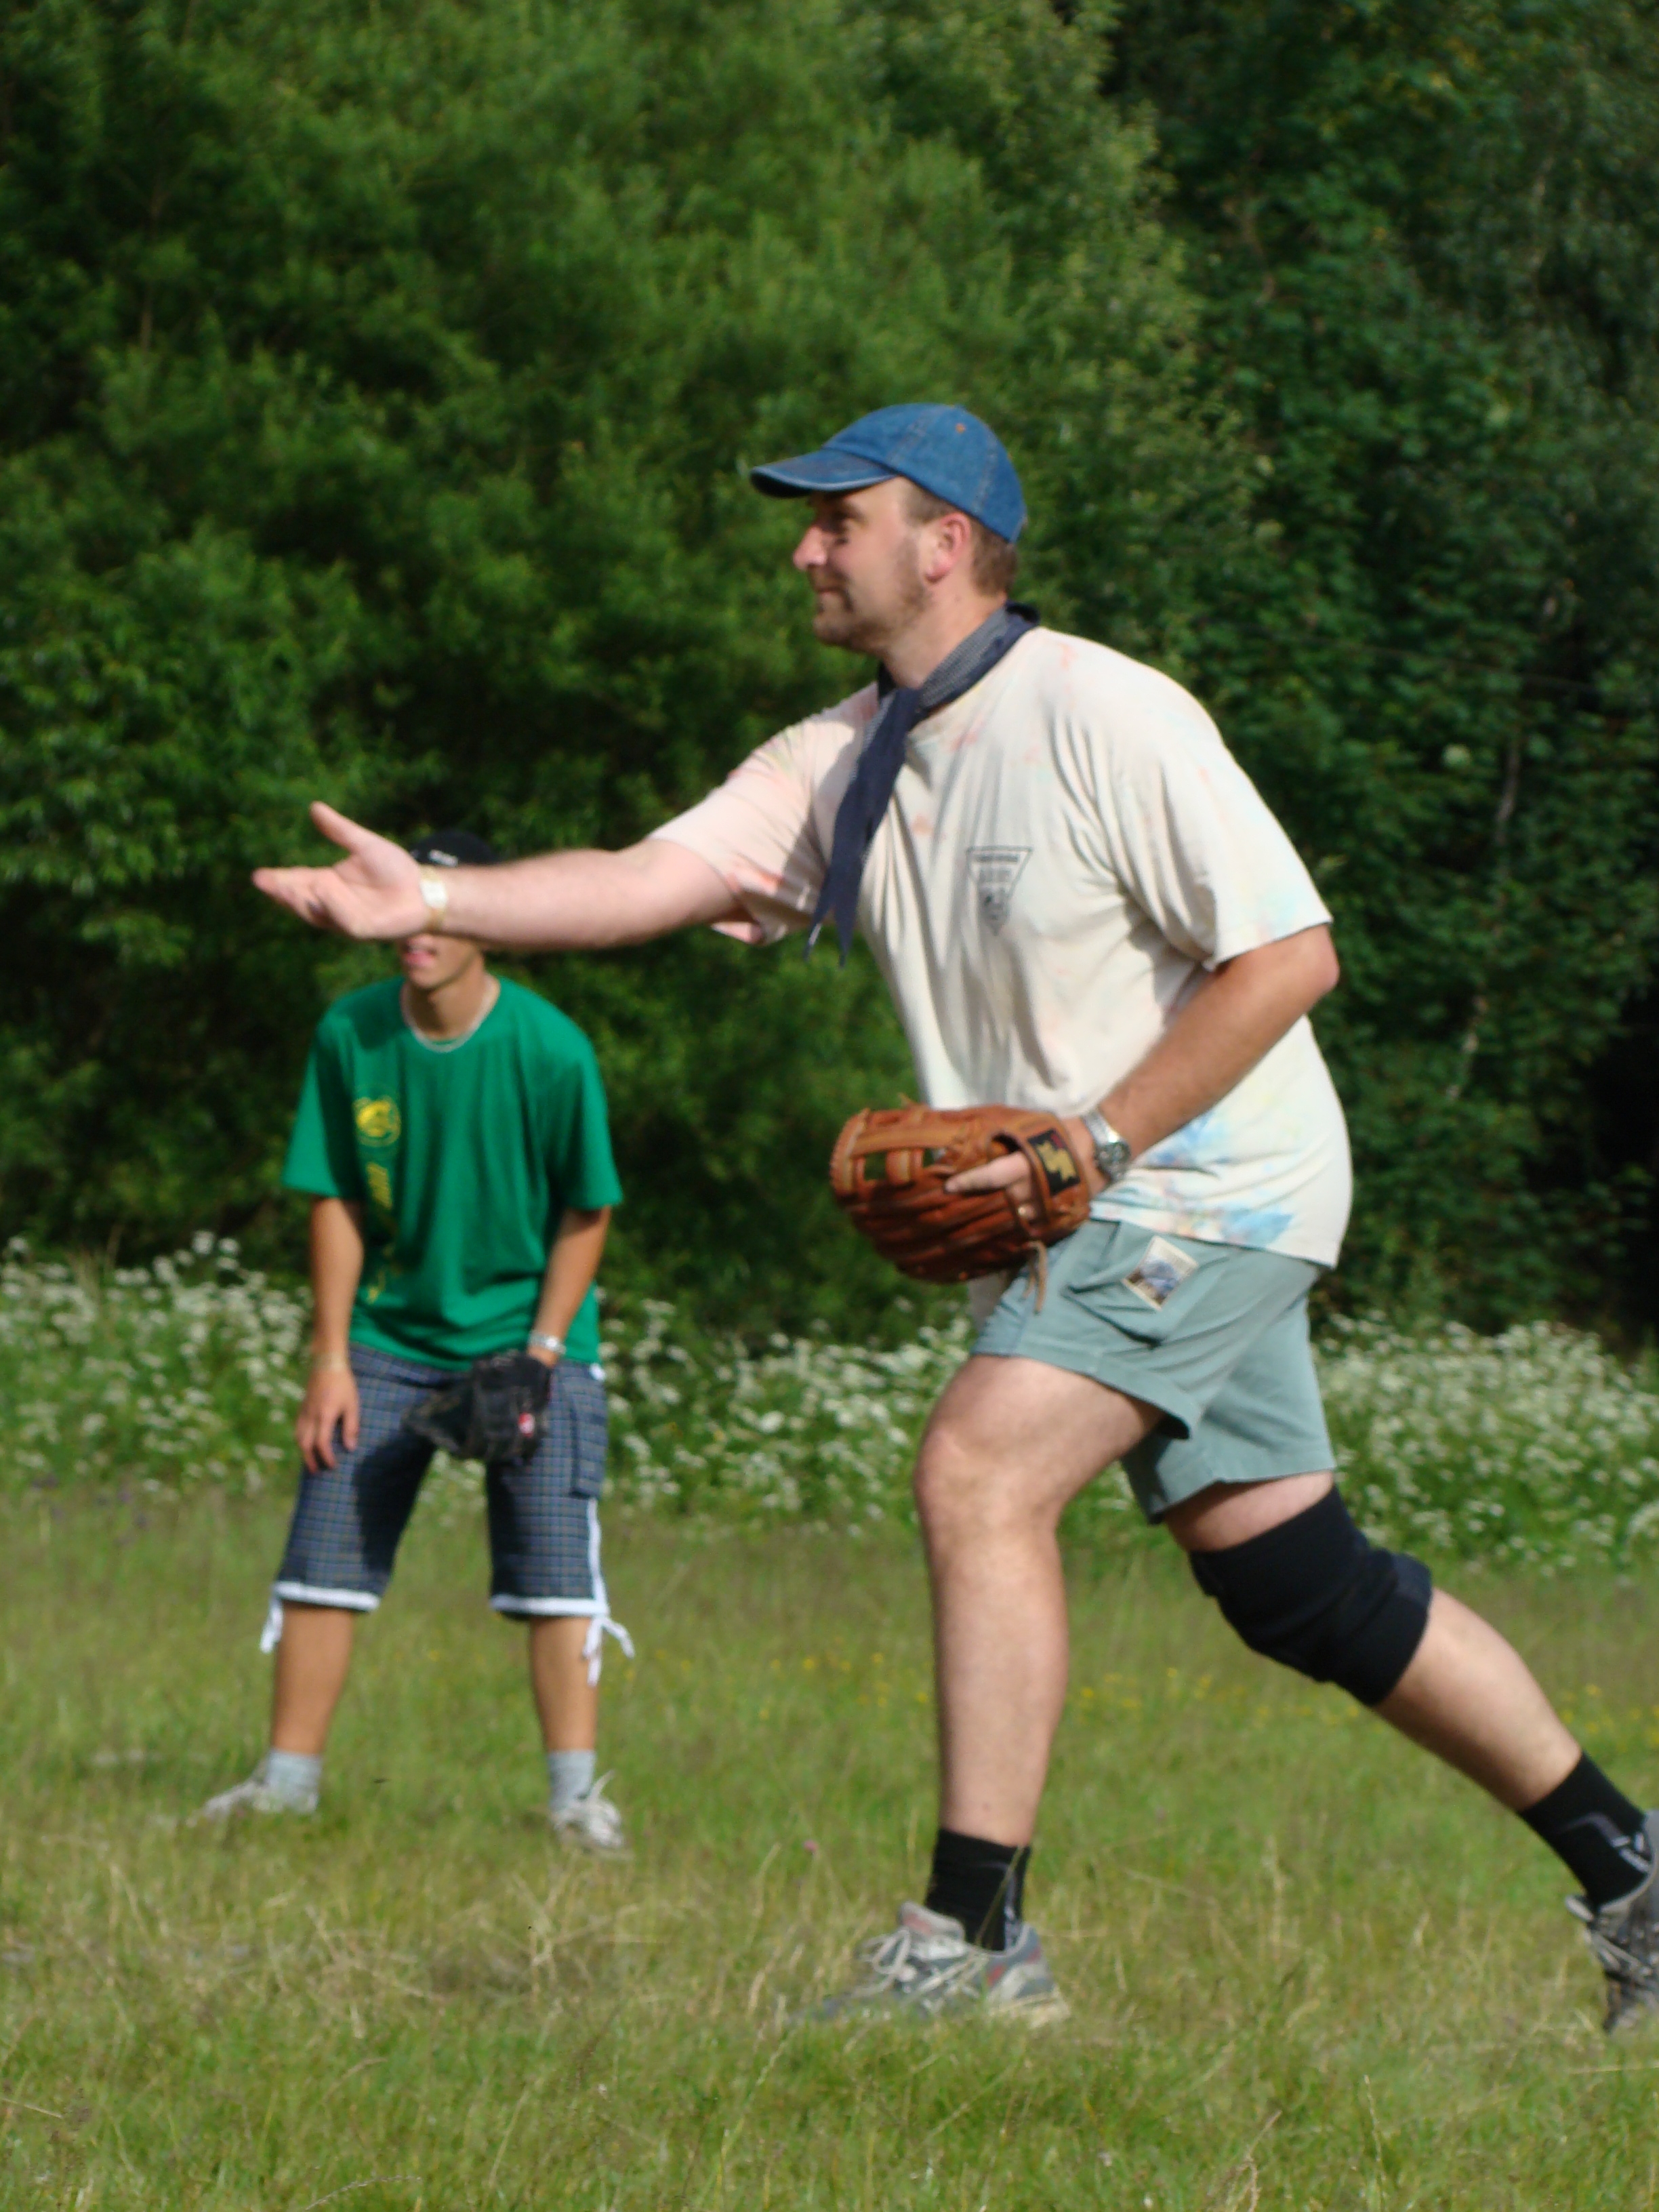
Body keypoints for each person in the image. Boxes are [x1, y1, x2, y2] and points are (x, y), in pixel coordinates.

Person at [251, 408, 1658, 2029]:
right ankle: (1634, 1876)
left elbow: (1292, 958)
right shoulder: (842, 757)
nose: (804, 549)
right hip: (1096, 1207)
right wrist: (432, 898)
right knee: (1298, 1582)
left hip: (1204, 1185)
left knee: (977, 1472)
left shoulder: (1106, 713)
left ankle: (975, 1944)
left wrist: (1099, 1143)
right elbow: (645, 880)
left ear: (946, 544)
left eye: (837, 520)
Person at [204, 830, 630, 1853]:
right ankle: (286, 1787)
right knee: (322, 1560)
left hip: (533, 1338)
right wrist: (330, 1359)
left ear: (482, 922)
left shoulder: (551, 1048)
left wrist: (542, 1353)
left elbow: (588, 1209)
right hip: (388, 1336)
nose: (416, 935)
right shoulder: (351, 1032)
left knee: (554, 1577)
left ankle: (576, 1805)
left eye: (438, 910)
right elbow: (335, 1198)